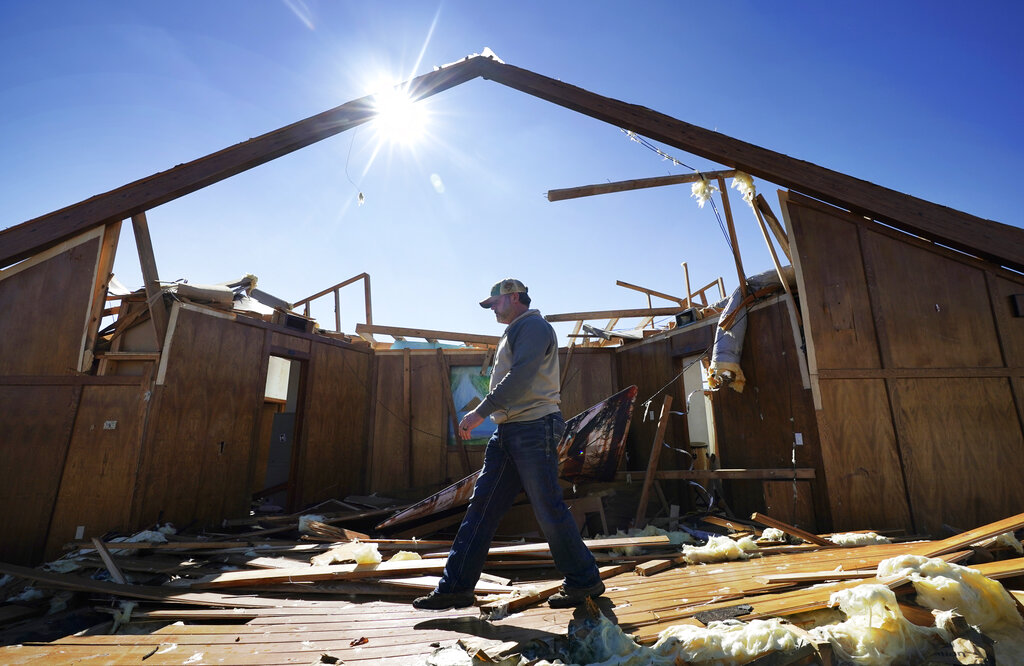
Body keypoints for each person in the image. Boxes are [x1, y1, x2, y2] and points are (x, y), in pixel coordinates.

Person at [413, 278, 605, 610]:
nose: (492, 310)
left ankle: (584, 580)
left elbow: (520, 378)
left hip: (534, 427)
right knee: (482, 509)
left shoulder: (533, 327)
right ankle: (456, 587)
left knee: (547, 507)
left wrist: (478, 414)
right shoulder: (514, 331)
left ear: (514, 297)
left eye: (495, 304)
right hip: (509, 431)